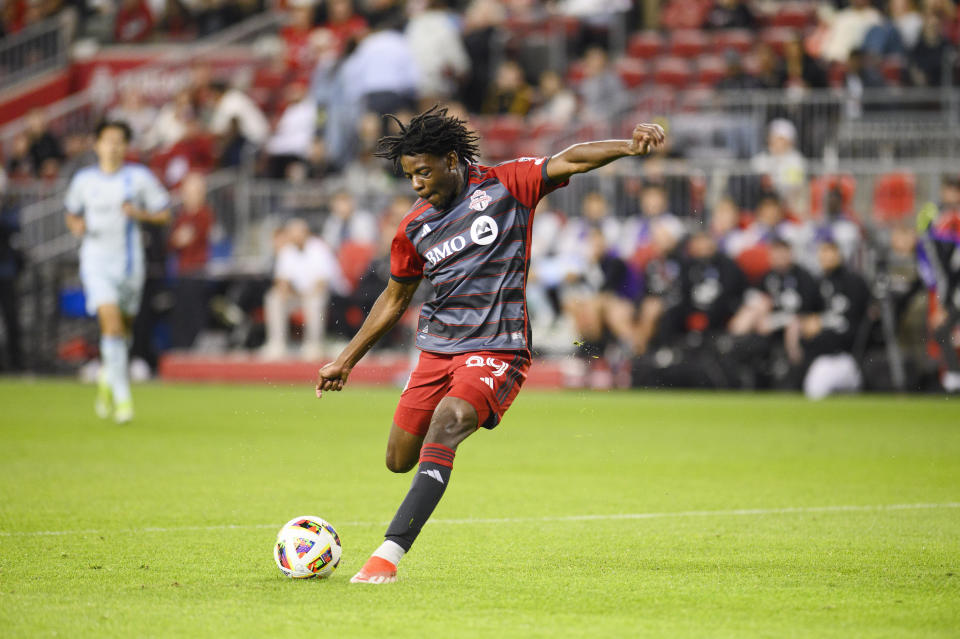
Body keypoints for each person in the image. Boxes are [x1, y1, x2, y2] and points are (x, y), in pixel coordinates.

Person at [315, 106, 664, 583]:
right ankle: (425, 469)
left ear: (452, 159)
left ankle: (387, 556)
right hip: (437, 350)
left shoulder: (508, 184)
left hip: (498, 346)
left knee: (449, 421)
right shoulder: (413, 228)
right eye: (409, 175)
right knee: (398, 459)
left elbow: (572, 158)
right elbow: (394, 298)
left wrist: (628, 146)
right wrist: (345, 361)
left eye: (423, 171)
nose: (416, 184)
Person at [63, 121, 171, 423]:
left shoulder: (138, 178)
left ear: (126, 146)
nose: (113, 146)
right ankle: (124, 399)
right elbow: (71, 214)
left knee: (122, 328)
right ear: (96, 145)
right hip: (96, 261)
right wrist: (77, 226)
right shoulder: (84, 180)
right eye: (108, 140)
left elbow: (164, 213)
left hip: (129, 264)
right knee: (110, 324)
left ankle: (107, 377)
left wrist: (140, 214)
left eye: (119, 141)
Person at [261, 218, 345, 361]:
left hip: (320, 293)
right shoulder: (287, 250)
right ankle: (277, 344)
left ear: (305, 233)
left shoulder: (319, 248)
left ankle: (313, 345)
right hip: (297, 295)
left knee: (314, 301)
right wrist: (284, 293)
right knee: (273, 298)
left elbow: (322, 282)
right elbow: (282, 280)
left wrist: (307, 295)